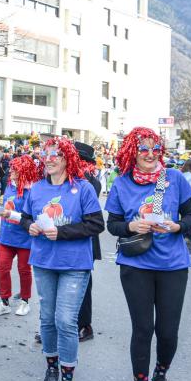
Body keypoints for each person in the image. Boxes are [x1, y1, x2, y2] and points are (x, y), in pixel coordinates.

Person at [104, 127, 191, 381]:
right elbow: (113, 225)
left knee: (167, 332)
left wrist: (177, 227)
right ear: (133, 151)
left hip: (173, 266)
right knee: (143, 329)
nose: (149, 154)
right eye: (143, 149)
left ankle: (160, 374)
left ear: (161, 151)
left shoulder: (176, 178)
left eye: (155, 148)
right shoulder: (121, 183)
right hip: (136, 266)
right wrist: (132, 226)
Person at [20, 137, 104, 381]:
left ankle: (67, 378)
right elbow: (24, 218)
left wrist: (63, 233)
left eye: (56, 154)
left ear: (68, 158)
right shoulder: (36, 189)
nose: (50, 158)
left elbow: (96, 224)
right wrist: (30, 226)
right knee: (46, 318)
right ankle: (52, 368)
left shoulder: (83, 188)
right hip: (44, 262)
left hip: (75, 264)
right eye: (46, 154)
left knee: (66, 320)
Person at [0, 155, 40, 317]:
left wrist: (11, 215)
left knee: (24, 270)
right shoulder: (9, 186)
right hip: (6, 235)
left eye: (15, 169)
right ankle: (4, 302)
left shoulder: (32, 190)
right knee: (3, 268)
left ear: (24, 171)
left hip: (24, 237)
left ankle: (25, 301)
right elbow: (5, 209)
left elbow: (32, 217)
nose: (11, 171)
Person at [74, 141, 103, 342]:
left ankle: (85, 325)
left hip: (85, 240)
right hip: (67, 239)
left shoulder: (91, 182)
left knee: (83, 285)